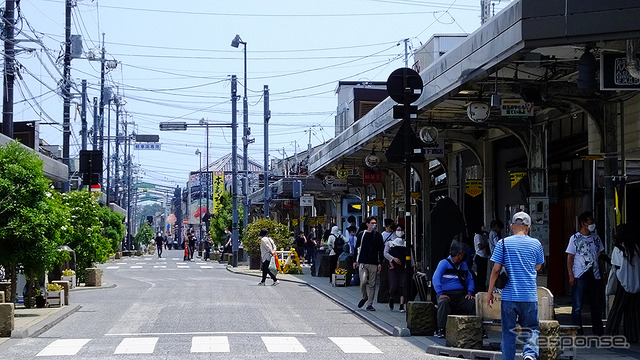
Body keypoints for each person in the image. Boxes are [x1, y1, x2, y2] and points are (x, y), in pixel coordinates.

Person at [487, 211, 544, 360]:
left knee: (508, 333)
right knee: (531, 328)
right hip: (529, 296)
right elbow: (538, 267)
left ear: (512, 226)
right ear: (528, 227)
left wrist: (490, 292)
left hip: (509, 297)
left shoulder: (503, 243)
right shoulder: (536, 244)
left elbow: (496, 270)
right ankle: (530, 355)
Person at [566, 211, 604, 336]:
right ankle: (577, 331)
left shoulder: (596, 238)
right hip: (579, 274)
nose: (592, 224)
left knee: (596, 304)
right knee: (577, 305)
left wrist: (603, 273)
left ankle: (598, 330)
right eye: (590, 222)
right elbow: (570, 257)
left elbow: (600, 255)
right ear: (584, 223)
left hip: (595, 274)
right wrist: (571, 274)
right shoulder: (575, 238)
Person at [432, 242, 476, 339]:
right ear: (458, 254)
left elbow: (470, 279)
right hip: (446, 293)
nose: (464, 256)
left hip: (461, 294)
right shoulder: (444, 263)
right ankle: (441, 329)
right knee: (443, 302)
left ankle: (474, 328)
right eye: (463, 254)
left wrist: (470, 292)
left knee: (473, 303)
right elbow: (436, 278)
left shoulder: (463, 265)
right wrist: (440, 293)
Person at [605, 223, 640, 343]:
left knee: (617, 309)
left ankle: (610, 335)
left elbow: (616, 266)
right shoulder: (635, 248)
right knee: (633, 311)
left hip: (622, 283)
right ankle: (633, 335)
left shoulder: (619, 249)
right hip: (636, 283)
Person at [352, 216, 384, 311]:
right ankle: (365, 297)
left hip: (373, 262)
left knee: (372, 284)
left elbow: (380, 250)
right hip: (362, 262)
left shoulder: (378, 235)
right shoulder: (362, 234)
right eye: (372, 223)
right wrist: (355, 260)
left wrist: (380, 262)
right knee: (362, 282)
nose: (374, 225)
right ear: (367, 224)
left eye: (375, 223)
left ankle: (369, 304)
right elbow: (356, 248)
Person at [384, 224, 407, 312]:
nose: (399, 231)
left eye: (401, 230)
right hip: (393, 267)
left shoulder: (405, 243)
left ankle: (401, 305)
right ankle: (391, 297)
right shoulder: (390, 243)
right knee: (393, 285)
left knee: (403, 285)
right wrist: (393, 259)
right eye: (398, 230)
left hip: (403, 267)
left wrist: (413, 266)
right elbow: (385, 253)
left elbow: (410, 255)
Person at [474, 227, 490, 292]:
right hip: (480, 256)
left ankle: (482, 287)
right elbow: (480, 246)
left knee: (484, 274)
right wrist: (487, 243)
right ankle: (479, 288)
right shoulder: (477, 236)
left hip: (484, 256)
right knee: (480, 274)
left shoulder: (483, 236)